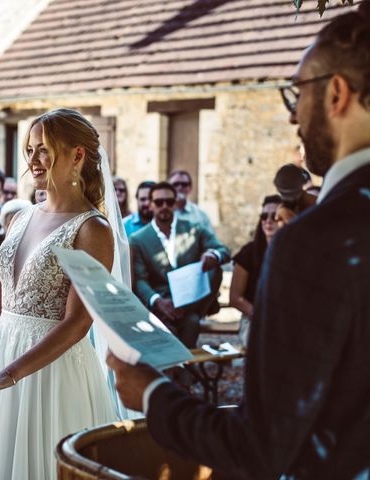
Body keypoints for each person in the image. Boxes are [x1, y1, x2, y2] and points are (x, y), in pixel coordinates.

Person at [108, 3, 370, 478]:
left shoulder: (314, 241)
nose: (294, 120)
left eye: (297, 95)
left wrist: (149, 392)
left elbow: (260, 447)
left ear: (336, 93)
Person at [0, 108, 117, 479]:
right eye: (30, 149)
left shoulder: (92, 230)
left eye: (44, 150)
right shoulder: (23, 217)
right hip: (6, 350)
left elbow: (77, 323)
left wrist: (10, 374)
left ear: (77, 155)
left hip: (54, 371)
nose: (33, 161)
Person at [130, 181, 230, 347]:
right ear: (151, 204)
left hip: (191, 303)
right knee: (177, 326)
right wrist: (158, 301)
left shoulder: (194, 229)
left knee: (214, 272)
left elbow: (223, 250)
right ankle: (177, 369)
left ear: (176, 203)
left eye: (169, 202)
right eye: (159, 202)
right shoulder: (138, 239)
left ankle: (181, 368)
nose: (164, 206)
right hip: (159, 306)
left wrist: (213, 255)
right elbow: (139, 279)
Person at [229, 194, 282, 345]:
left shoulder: (294, 252)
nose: (269, 221)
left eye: (275, 216)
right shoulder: (249, 253)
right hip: (255, 318)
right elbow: (235, 298)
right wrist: (261, 315)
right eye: (264, 216)